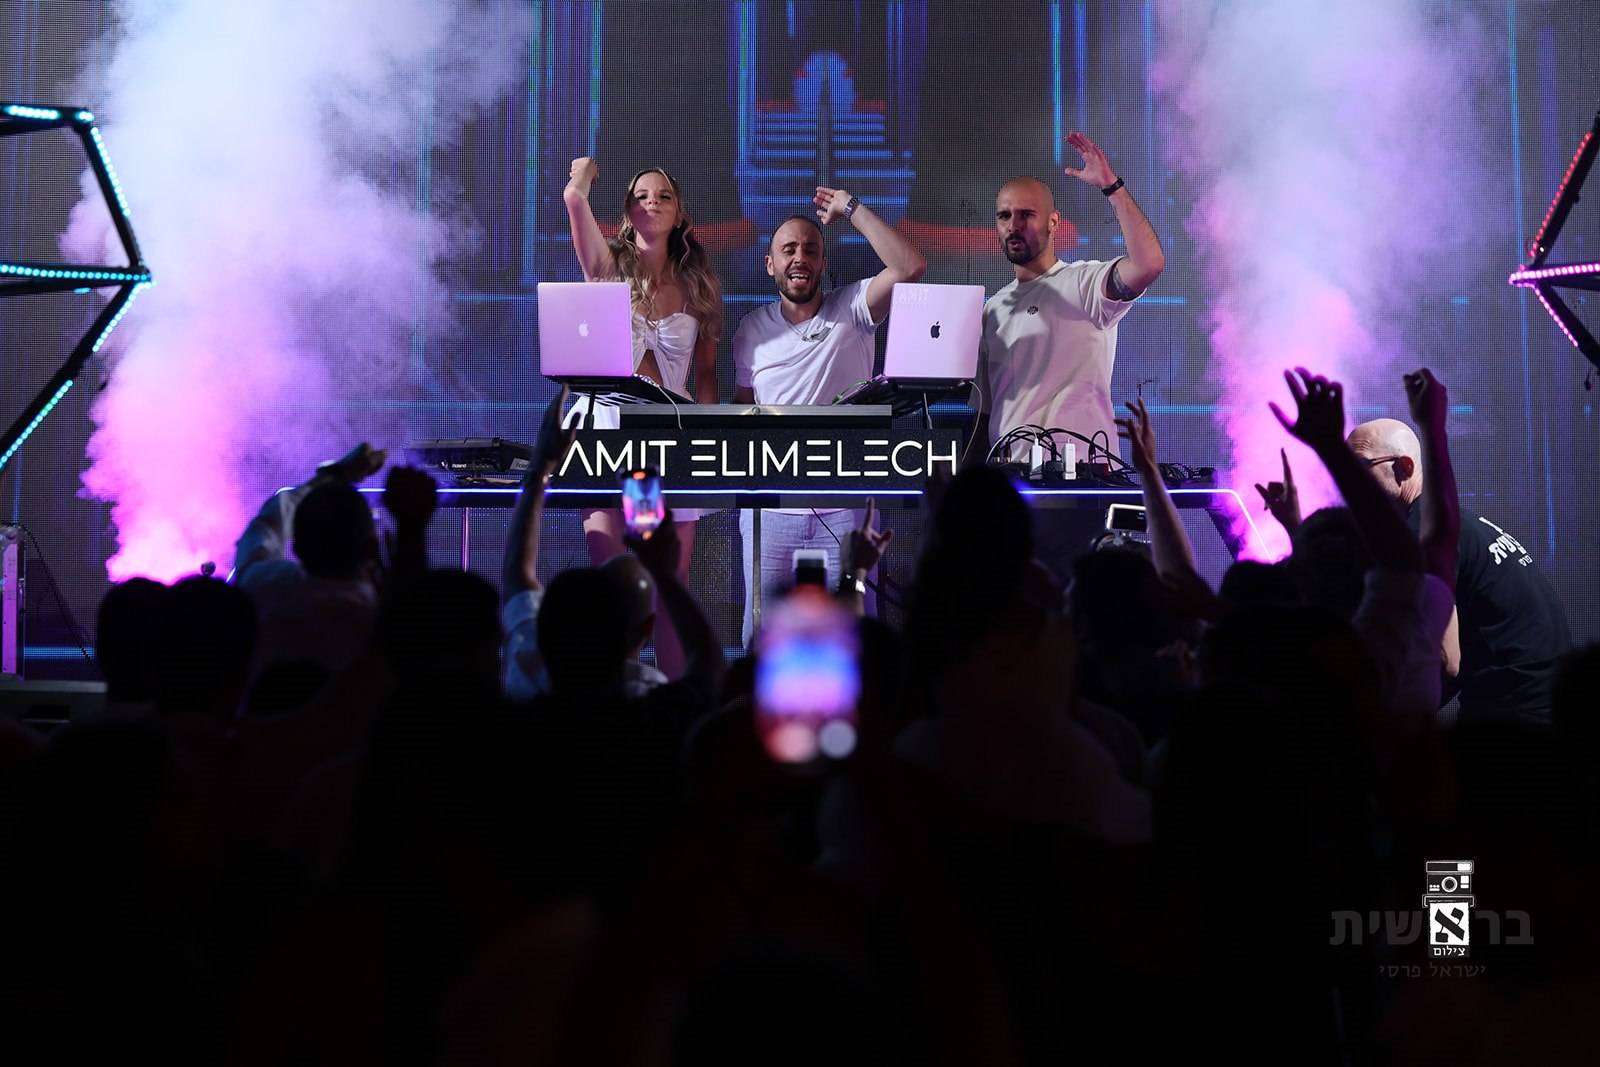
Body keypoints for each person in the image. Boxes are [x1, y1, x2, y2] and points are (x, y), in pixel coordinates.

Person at [731, 187, 926, 646]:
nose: (800, 258)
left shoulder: (853, 307)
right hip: (770, 508)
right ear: (770, 264)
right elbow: (743, 414)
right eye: (789, 250)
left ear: (823, 263)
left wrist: (851, 208)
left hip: (846, 504)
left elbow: (910, 267)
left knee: (854, 634)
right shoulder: (751, 329)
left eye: (810, 250)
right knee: (763, 637)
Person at [975, 131, 1165, 576]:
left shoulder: (1083, 282)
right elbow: (984, 414)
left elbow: (1149, 264)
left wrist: (1112, 187)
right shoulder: (990, 309)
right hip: (1013, 489)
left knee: (1085, 604)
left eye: (1027, 214)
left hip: (1083, 485)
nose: (1014, 225)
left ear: (1054, 222)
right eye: (1004, 216)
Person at [562, 159, 722, 677]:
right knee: (615, 587)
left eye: (663, 196)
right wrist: (583, 175)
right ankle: (617, 704)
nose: (652, 202)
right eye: (641, 196)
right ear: (628, 212)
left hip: (668, 441)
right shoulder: (607, 269)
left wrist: (709, 447)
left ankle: (678, 707)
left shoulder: (698, 285)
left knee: (668, 588)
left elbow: (706, 379)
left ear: (679, 214)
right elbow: (574, 200)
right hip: (608, 433)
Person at [1342, 413, 1572, 725]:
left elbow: (1446, 661)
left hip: (1515, 717)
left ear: (1404, 468)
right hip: (1548, 703)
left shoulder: (1421, 534)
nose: (1346, 481)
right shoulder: (1447, 522)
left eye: (1357, 467)